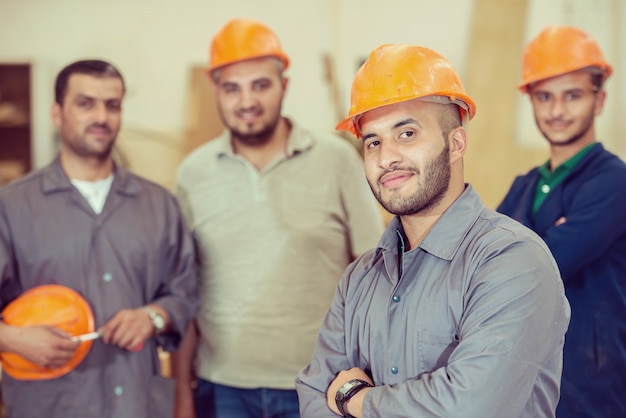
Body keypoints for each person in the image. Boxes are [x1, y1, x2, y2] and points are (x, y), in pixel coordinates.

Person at [295, 44, 571, 418]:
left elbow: (468, 407)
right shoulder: (358, 279)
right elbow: (313, 394)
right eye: (372, 141)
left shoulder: (514, 262)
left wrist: (354, 400)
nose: (386, 156)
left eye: (406, 133)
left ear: (456, 143)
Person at [172, 18, 384, 418]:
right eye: (231, 88)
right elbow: (183, 288)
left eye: (260, 85)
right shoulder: (192, 173)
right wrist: (182, 393)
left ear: (284, 85)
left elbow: (372, 271)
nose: (246, 101)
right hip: (222, 387)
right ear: (214, 90)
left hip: (319, 383)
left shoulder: (336, 160)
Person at [0, 59, 199, 418]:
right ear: (57, 113)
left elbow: (185, 292)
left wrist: (154, 317)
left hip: (137, 404)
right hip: (47, 405)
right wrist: (13, 339)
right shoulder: (11, 207)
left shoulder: (159, 204)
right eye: (86, 103)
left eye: (112, 105)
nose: (101, 117)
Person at [497, 25, 626, 417]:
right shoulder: (524, 186)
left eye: (572, 96)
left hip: (591, 384)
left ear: (599, 100)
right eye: (544, 97)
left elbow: (543, 265)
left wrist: (520, 251)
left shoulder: (614, 182)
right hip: (526, 384)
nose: (556, 111)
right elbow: (483, 267)